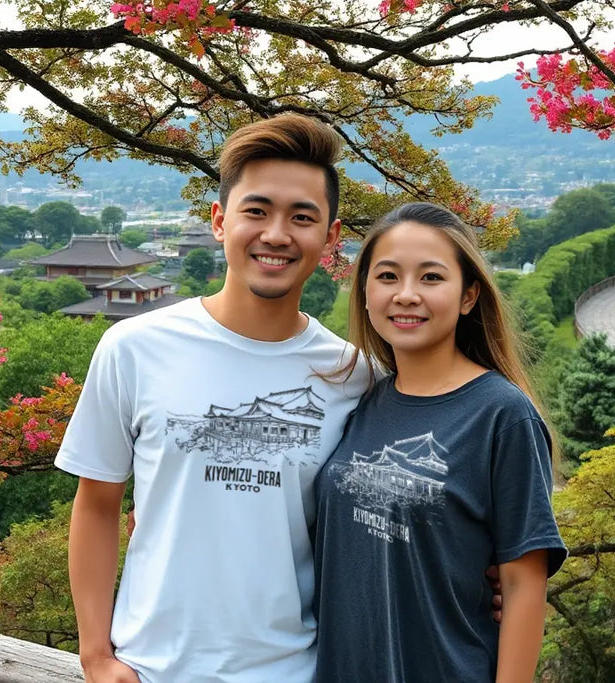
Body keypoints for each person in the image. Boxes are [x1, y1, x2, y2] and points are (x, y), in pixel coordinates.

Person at [55, 114, 370, 683]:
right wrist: (95, 656)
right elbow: (97, 502)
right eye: (257, 211)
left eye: (302, 217)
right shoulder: (135, 346)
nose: (276, 234)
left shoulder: (353, 376)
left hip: (294, 671)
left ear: (330, 237)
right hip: (151, 667)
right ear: (220, 221)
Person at [313, 202, 567, 682]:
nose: (406, 295)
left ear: (469, 295)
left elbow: (522, 584)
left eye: (431, 278)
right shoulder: (360, 400)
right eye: (387, 276)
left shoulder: (502, 414)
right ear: (364, 291)